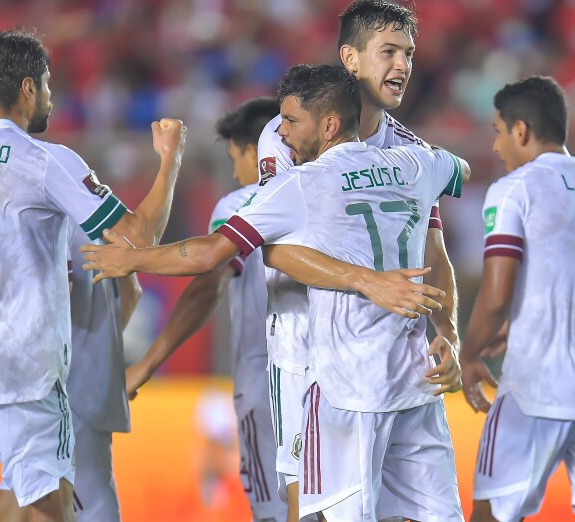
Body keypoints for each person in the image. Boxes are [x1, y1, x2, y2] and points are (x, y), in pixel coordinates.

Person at [83, 63, 469, 522]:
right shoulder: (416, 163)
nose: (280, 133)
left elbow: (208, 255)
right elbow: (458, 168)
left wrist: (130, 260)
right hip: (415, 381)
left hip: (344, 386)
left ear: (328, 125)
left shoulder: (301, 185)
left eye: (289, 121)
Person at [0, 30, 186, 522]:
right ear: (29, 87)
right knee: (52, 512)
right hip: (23, 378)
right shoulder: (44, 160)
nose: (52, 98)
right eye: (50, 85)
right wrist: (170, 162)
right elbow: (137, 239)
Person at [255, 2, 462, 510]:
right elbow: (277, 250)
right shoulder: (289, 132)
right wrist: (368, 280)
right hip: (305, 349)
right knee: (311, 505)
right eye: (388, 51)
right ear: (349, 58)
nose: (403, 65)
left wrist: (449, 332)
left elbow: (433, 251)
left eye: (409, 53)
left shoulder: (410, 151)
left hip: (390, 361)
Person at [460, 76, 575, 522]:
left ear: (520, 130)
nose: (498, 147)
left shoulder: (515, 188)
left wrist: (467, 354)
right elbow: (566, 271)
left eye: (498, 132)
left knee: (491, 516)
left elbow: (497, 294)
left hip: (537, 385)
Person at [125, 96, 289, 521]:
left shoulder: (238, 204)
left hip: (266, 382)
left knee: (273, 512)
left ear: (254, 151)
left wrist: (145, 366)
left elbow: (206, 287)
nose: (235, 171)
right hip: (333, 383)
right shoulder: (325, 194)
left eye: (236, 158)